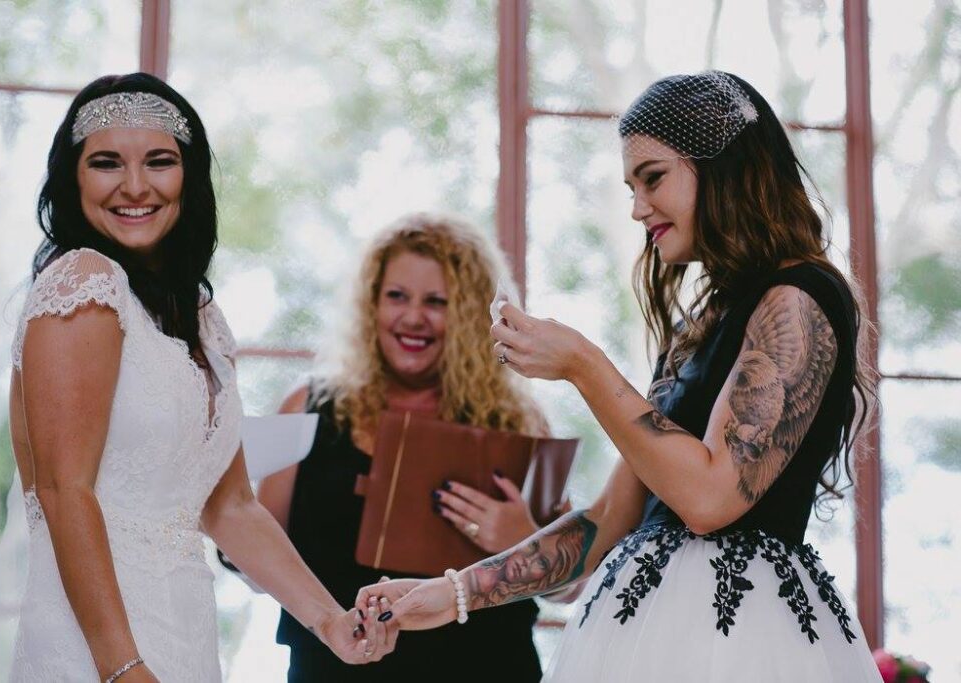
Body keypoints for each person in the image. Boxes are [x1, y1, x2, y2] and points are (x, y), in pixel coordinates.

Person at [358, 71, 884, 682]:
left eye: (653, 178)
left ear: (725, 164)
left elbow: (711, 500)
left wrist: (584, 365)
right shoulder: (706, 323)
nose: (638, 209)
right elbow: (607, 519)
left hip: (743, 640)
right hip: (641, 629)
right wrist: (451, 594)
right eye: (632, 187)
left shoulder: (799, 300)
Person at [0, 72, 394, 682]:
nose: (135, 186)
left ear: (190, 177)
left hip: (183, 631)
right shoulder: (82, 284)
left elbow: (231, 506)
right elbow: (63, 491)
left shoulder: (202, 319)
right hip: (97, 646)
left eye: (160, 161)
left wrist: (329, 620)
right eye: (106, 163)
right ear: (72, 178)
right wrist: (123, 668)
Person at [257, 213, 558, 682]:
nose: (413, 317)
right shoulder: (305, 407)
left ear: (467, 314)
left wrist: (525, 540)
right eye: (397, 296)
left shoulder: (521, 422)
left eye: (437, 301)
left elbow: (569, 587)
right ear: (370, 303)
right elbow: (250, 556)